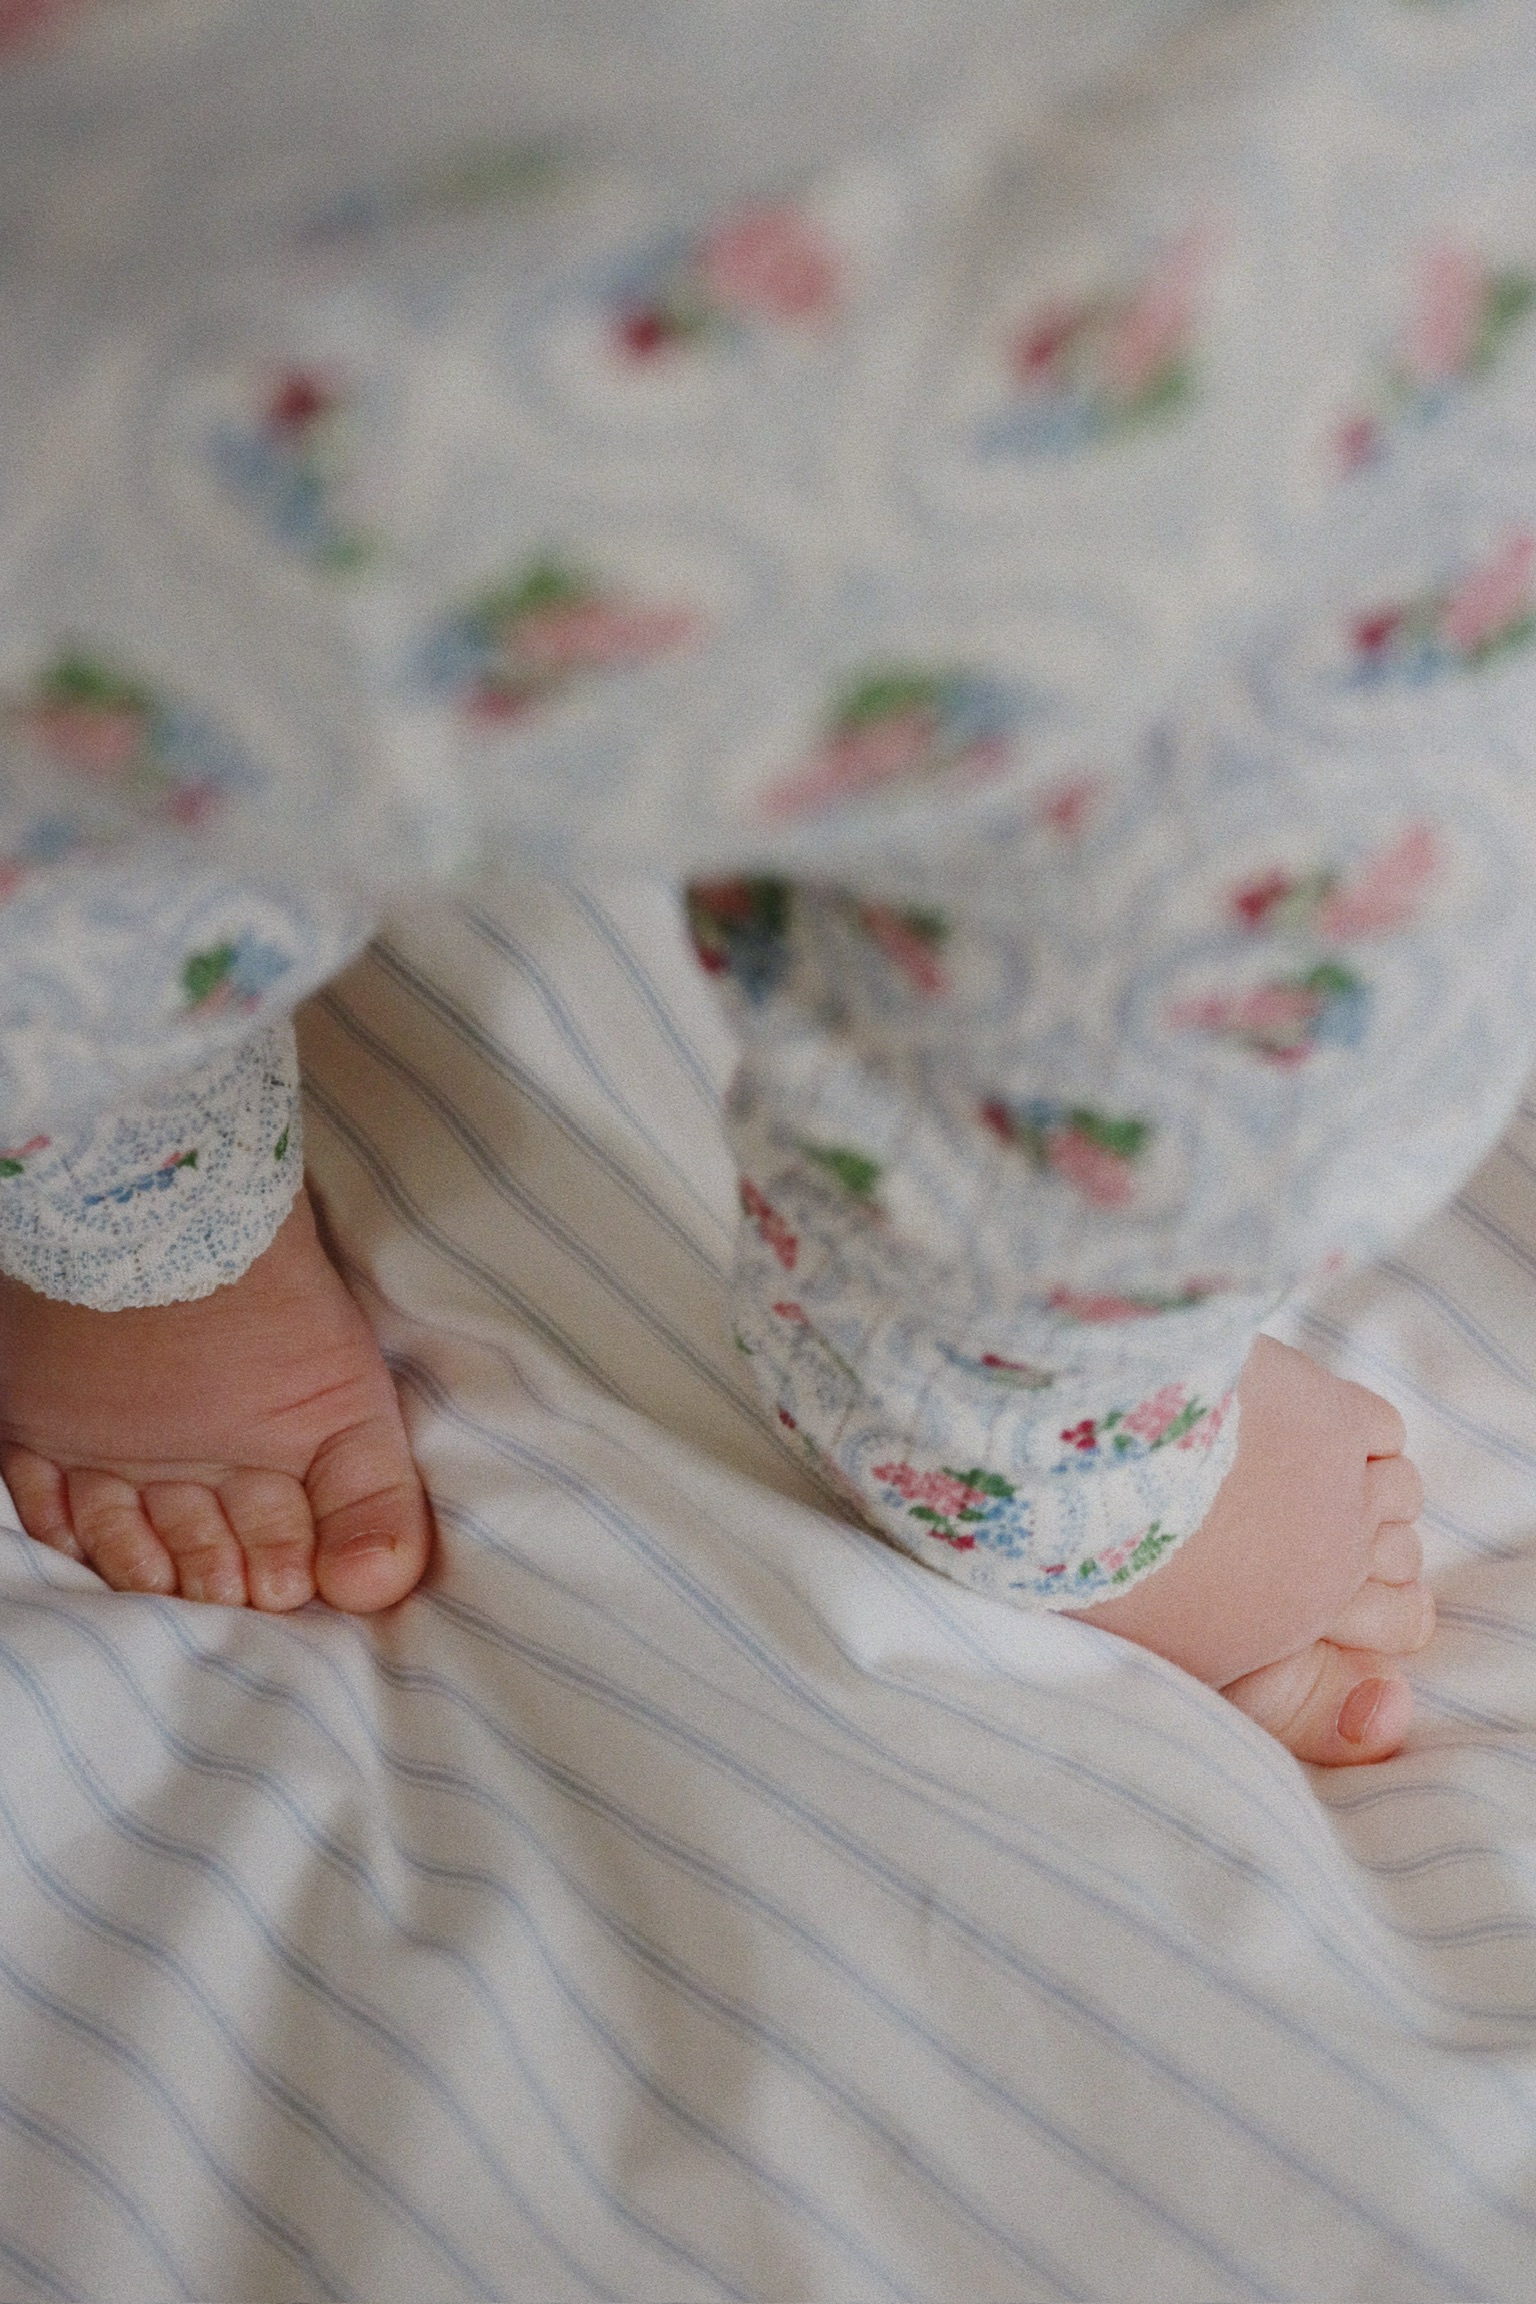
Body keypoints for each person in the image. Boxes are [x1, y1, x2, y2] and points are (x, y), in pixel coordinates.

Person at [1, 0, 1532, 1765]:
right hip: (198, 221)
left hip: (1200, 238)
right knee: (89, 737)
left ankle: (1039, 1438)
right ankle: (140, 1222)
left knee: (1227, 930)